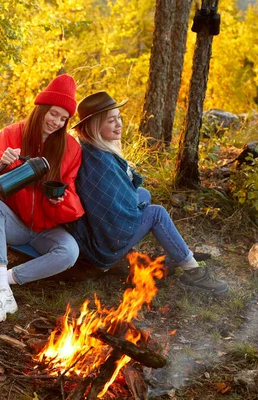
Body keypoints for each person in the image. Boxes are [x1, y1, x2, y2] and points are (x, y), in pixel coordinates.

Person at [65, 91, 229, 294]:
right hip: (101, 249)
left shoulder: (90, 148)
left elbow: (118, 200)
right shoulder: (101, 163)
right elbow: (114, 216)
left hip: (93, 234)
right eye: (111, 121)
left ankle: (157, 252)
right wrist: (140, 208)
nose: (119, 125)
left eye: (119, 118)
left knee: (144, 195)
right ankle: (194, 273)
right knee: (157, 213)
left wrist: (137, 202)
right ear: (95, 126)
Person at [0, 74, 85, 322]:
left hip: (46, 228)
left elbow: (72, 194)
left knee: (70, 251)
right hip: (16, 224)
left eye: (63, 119)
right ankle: (1, 295)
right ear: (41, 109)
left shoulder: (71, 148)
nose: (56, 122)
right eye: (53, 114)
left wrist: (61, 201)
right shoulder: (12, 134)